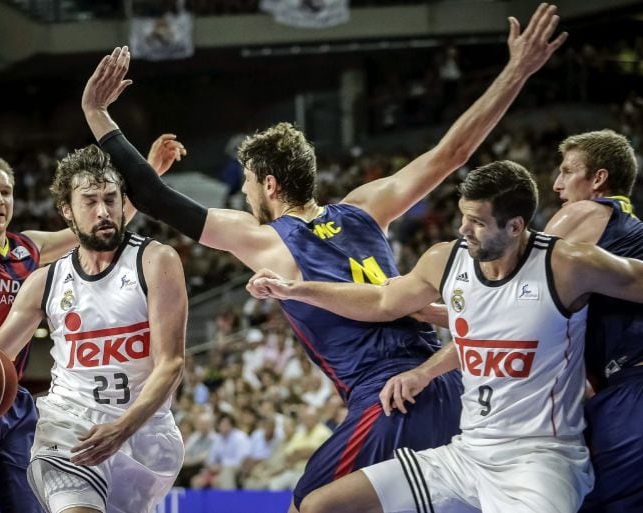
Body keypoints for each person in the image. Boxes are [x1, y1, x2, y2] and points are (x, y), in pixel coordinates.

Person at [80, 4, 566, 509]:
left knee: (307, 506)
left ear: (269, 184)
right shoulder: (366, 206)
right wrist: (516, 72)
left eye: (247, 186)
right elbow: (452, 153)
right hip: (451, 384)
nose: (245, 197)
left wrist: (98, 114)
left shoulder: (264, 238)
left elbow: (157, 201)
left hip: (390, 397)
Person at [245, 160, 643, 513]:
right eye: (463, 217)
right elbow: (384, 300)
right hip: (465, 455)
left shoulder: (568, 265)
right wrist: (294, 289)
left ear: (516, 226)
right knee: (322, 506)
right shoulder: (447, 259)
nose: (463, 230)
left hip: (540, 459)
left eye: (478, 222)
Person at [0, 67, 185, 513]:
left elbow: (95, 226)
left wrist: (148, 176)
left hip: (10, 400)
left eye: (6, 192)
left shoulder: (28, 249)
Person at [544, 129, 643, 512]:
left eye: (568, 171)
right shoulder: (625, 231)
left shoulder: (585, 211)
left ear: (598, 179)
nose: (557, 185)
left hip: (633, 389)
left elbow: (513, 286)